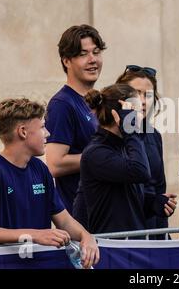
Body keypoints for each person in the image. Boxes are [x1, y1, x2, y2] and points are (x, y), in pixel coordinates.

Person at [0, 98, 99, 269]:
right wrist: (33, 235)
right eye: (43, 126)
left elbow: (64, 220)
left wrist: (86, 236)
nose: (48, 133)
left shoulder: (40, 168)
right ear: (22, 132)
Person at [80, 84, 177, 234]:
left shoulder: (123, 146)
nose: (140, 117)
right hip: (113, 247)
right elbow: (140, 171)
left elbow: (124, 199)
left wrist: (152, 203)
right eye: (136, 112)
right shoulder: (96, 152)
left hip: (131, 242)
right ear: (119, 115)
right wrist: (131, 131)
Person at [45, 25, 106, 225]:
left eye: (96, 52)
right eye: (83, 54)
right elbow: (54, 163)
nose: (92, 60)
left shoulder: (97, 101)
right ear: (66, 61)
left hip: (104, 214)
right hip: (81, 221)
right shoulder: (62, 104)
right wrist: (106, 158)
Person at [115, 65, 169, 238]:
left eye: (148, 95)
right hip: (126, 230)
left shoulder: (155, 135)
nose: (143, 101)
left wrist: (163, 232)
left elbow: (160, 187)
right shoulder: (112, 134)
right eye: (137, 93)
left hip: (155, 228)